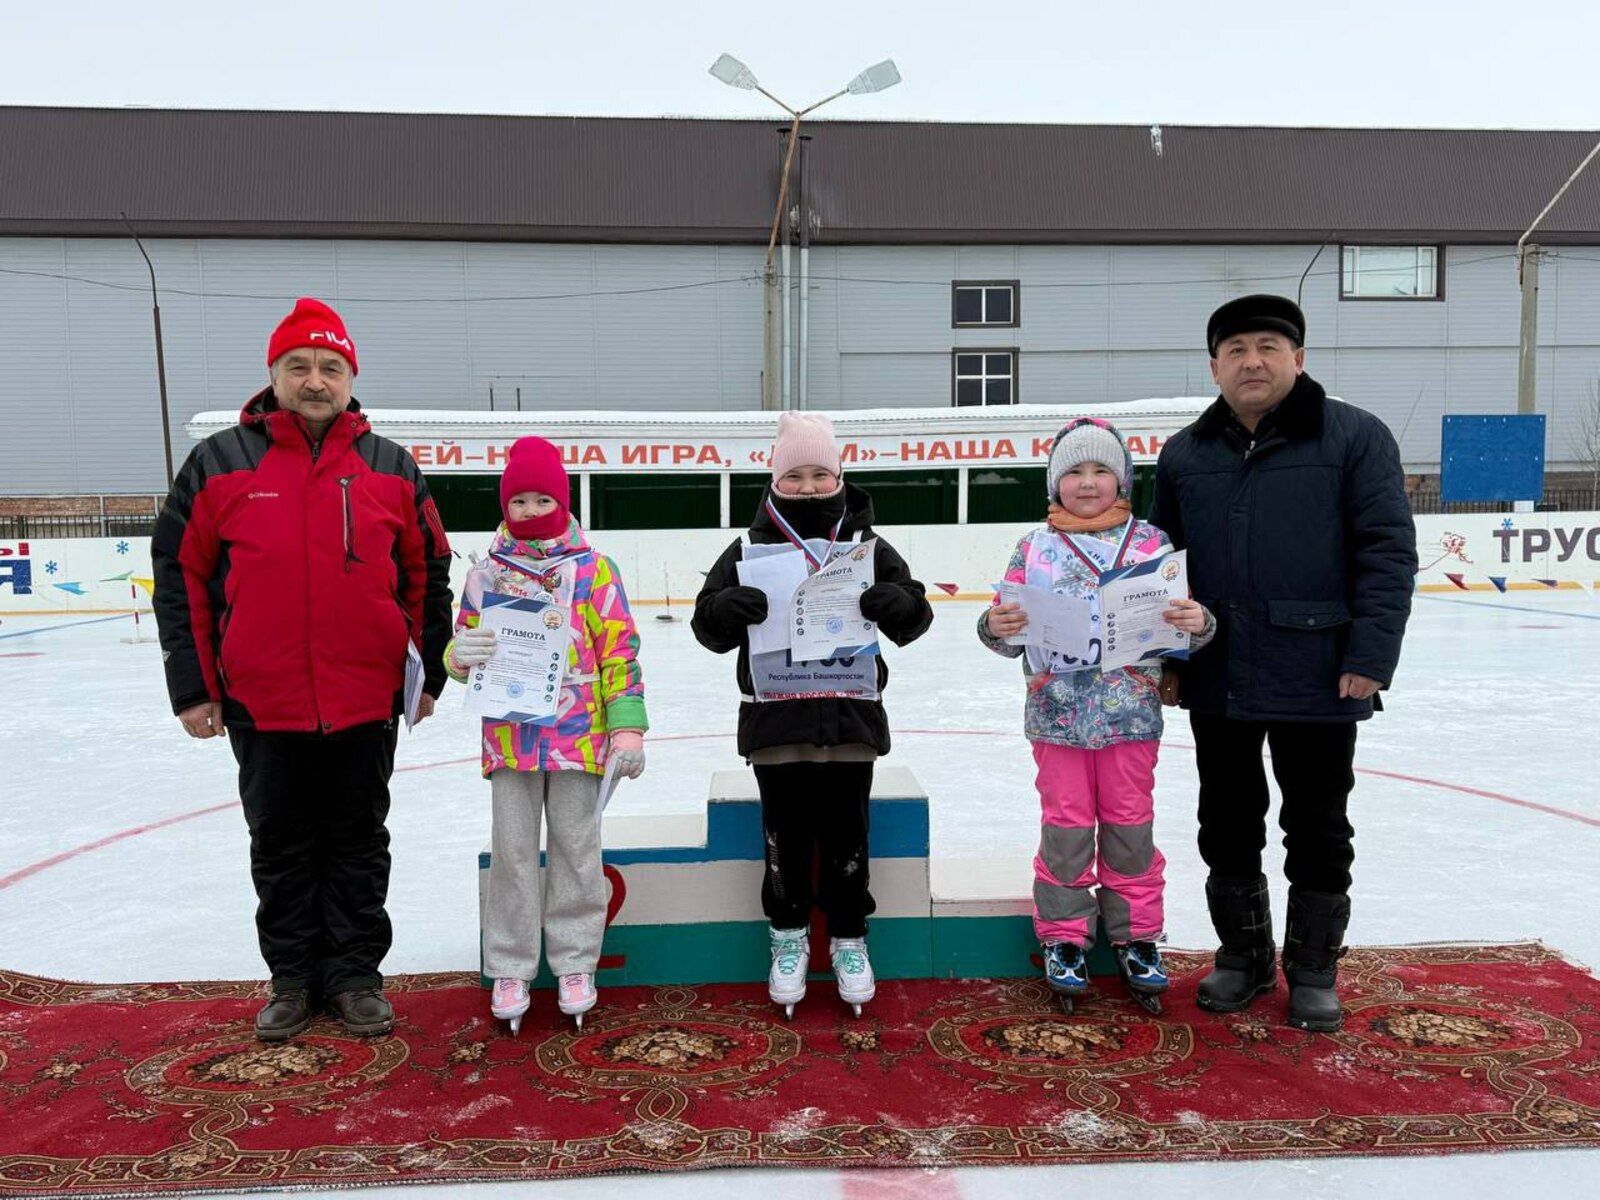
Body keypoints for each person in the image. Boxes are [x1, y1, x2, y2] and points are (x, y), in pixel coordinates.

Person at [151, 297, 454, 1041]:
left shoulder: (390, 466)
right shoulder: (219, 462)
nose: (315, 380)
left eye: (330, 367)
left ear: (350, 377)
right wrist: (193, 687)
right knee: (281, 845)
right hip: (262, 699)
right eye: (300, 365)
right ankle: (291, 979)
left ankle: (353, 978)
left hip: (365, 695)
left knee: (358, 842)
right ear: (274, 374)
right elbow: (178, 575)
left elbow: (430, 574)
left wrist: (428, 675)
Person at [1149, 294, 1415, 1032]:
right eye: (1235, 350)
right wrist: (1170, 660)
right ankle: (1242, 956)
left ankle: (1313, 967)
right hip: (1219, 675)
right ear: (1214, 367)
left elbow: (1387, 553)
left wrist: (1371, 656)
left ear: (1298, 358)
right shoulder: (1184, 453)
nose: (1252, 361)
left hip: (1323, 671)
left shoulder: (1356, 437)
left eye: (1269, 346)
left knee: (1318, 824)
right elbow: (1163, 569)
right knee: (1226, 822)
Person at [691, 412, 932, 1017]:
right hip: (777, 729)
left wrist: (897, 602)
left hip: (849, 725)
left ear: (840, 476)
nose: (807, 486)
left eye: (819, 474)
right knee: (785, 841)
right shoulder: (748, 549)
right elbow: (705, 627)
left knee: (850, 839)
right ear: (775, 480)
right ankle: (789, 936)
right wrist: (725, 609)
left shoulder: (868, 548)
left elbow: (916, 617)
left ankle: (850, 938)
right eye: (794, 475)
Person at [978, 418, 1213, 1010]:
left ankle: (1137, 935)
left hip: (1130, 714)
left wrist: (1197, 624)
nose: (1087, 483)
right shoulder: (1033, 548)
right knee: (1066, 825)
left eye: (1100, 470)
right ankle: (1064, 935)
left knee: (1131, 823)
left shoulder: (1152, 543)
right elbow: (1004, 629)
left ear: (1123, 480)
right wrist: (995, 627)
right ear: (1055, 484)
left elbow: (1186, 624)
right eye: (1074, 472)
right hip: (1056, 714)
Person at [444, 436, 647, 1032]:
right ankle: (510, 964)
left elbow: (620, 651)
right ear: (505, 505)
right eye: (520, 501)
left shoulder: (594, 570)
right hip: (511, 737)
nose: (531, 511)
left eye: (542, 499)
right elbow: (462, 647)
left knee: (577, 849)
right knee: (511, 851)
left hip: (580, 734)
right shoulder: (485, 575)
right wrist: (460, 655)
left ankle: (575, 960)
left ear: (561, 499)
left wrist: (627, 726)